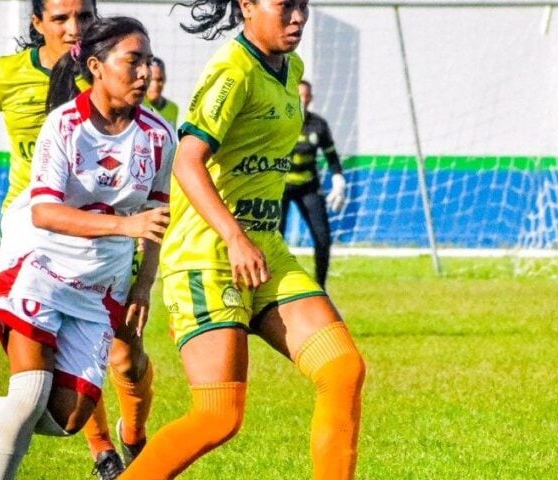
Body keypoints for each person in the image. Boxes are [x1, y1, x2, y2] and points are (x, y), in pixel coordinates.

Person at [0, 2, 157, 478]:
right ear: (37, 24)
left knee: (124, 353)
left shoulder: (101, 77)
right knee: (28, 392)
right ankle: (105, 450)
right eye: (60, 18)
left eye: (83, 17)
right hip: (31, 235)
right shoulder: (7, 75)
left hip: (100, 242)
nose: (74, 28)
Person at [121, 0, 365, 478]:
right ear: (248, 6)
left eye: (304, 5)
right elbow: (187, 160)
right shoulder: (232, 72)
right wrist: (233, 236)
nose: (298, 17)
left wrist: (249, 238)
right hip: (207, 256)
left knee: (343, 369)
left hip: (265, 252)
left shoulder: (291, 67)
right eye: (285, 6)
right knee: (219, 417)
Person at [280, 79, 346, 289]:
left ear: (311, 98)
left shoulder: (318, 124)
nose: (303, 99)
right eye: (299, 95)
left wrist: (338, 181)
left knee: (323, 237)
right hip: (280, 188)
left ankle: (321, 287)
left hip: (309, 187)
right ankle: (274, 287)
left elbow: (331, 157)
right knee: (274, 239)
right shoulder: (279, 120)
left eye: (306, 95)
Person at [142, 57, 180, 128]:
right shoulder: (136, 106)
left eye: (159, 80)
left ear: (165, 79)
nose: (155, 85)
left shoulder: (173, 109)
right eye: (151, 79)